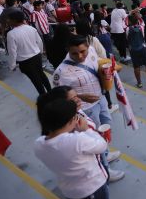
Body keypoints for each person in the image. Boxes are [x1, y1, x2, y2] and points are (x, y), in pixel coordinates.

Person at [33, 94, 135, 199]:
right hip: (92, 188)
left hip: (70, 191)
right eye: (74, 117)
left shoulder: (39, 143)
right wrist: (86, 130)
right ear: (68, 122)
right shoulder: (76, 140)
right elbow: (101, 145)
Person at [52, 34, 126, 183]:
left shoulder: (91, 50)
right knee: (94, 138)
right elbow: (58, 96)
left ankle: (105, 153)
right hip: (86, 109)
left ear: (87, 47)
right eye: (75, 53)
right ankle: (105, 172)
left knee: (105, 129)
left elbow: (98, 62)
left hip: (101, 100)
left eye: (83, 51)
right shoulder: (61, 72)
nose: (80, 56)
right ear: (68, 50)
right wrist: (80, 96)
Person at [6, 12, 52, 95]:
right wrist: (40, 52)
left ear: (14, 20)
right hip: (36, 56)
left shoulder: (11, 34)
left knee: (35, 79)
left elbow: (12, 52)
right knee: (41, 74)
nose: (8, 21)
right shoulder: (31, 28)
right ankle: (50, 91)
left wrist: (12, 66)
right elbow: (39, 42)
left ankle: (44, 96)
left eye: (9, 19)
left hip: (25, 61)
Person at [127, 14, 146, 88]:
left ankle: (139, 83)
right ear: (137, 21)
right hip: (143, 48)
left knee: (136, 66)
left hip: (133, 50)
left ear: (129, 21)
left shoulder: (128, 29)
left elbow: (127, 38)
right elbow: (142, 22)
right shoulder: (141, 27)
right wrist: (139, 17)